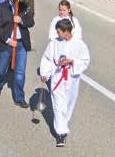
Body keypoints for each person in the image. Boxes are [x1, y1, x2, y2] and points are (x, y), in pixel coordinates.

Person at [40, 19, 90, 147]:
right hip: (57, 78)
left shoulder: (79, 44)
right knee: (58, 105)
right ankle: (60, 134)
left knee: (68, 105)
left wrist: (72, 62)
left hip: (71, 80)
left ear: (66, 31)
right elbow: (47, 58)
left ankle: (63, 123)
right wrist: (45, 73)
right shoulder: (54, 43)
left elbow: (85, 60)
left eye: (59, 32)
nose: (57, 34)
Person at [0, 0, 35, 108]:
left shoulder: (24, 6)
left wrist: (21, 20)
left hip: (21, 44)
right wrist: (8, 40)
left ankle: (19, 98)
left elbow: (31, 22)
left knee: (20, 72)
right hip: (7, 43)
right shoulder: (1, 7)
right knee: (1, 69)